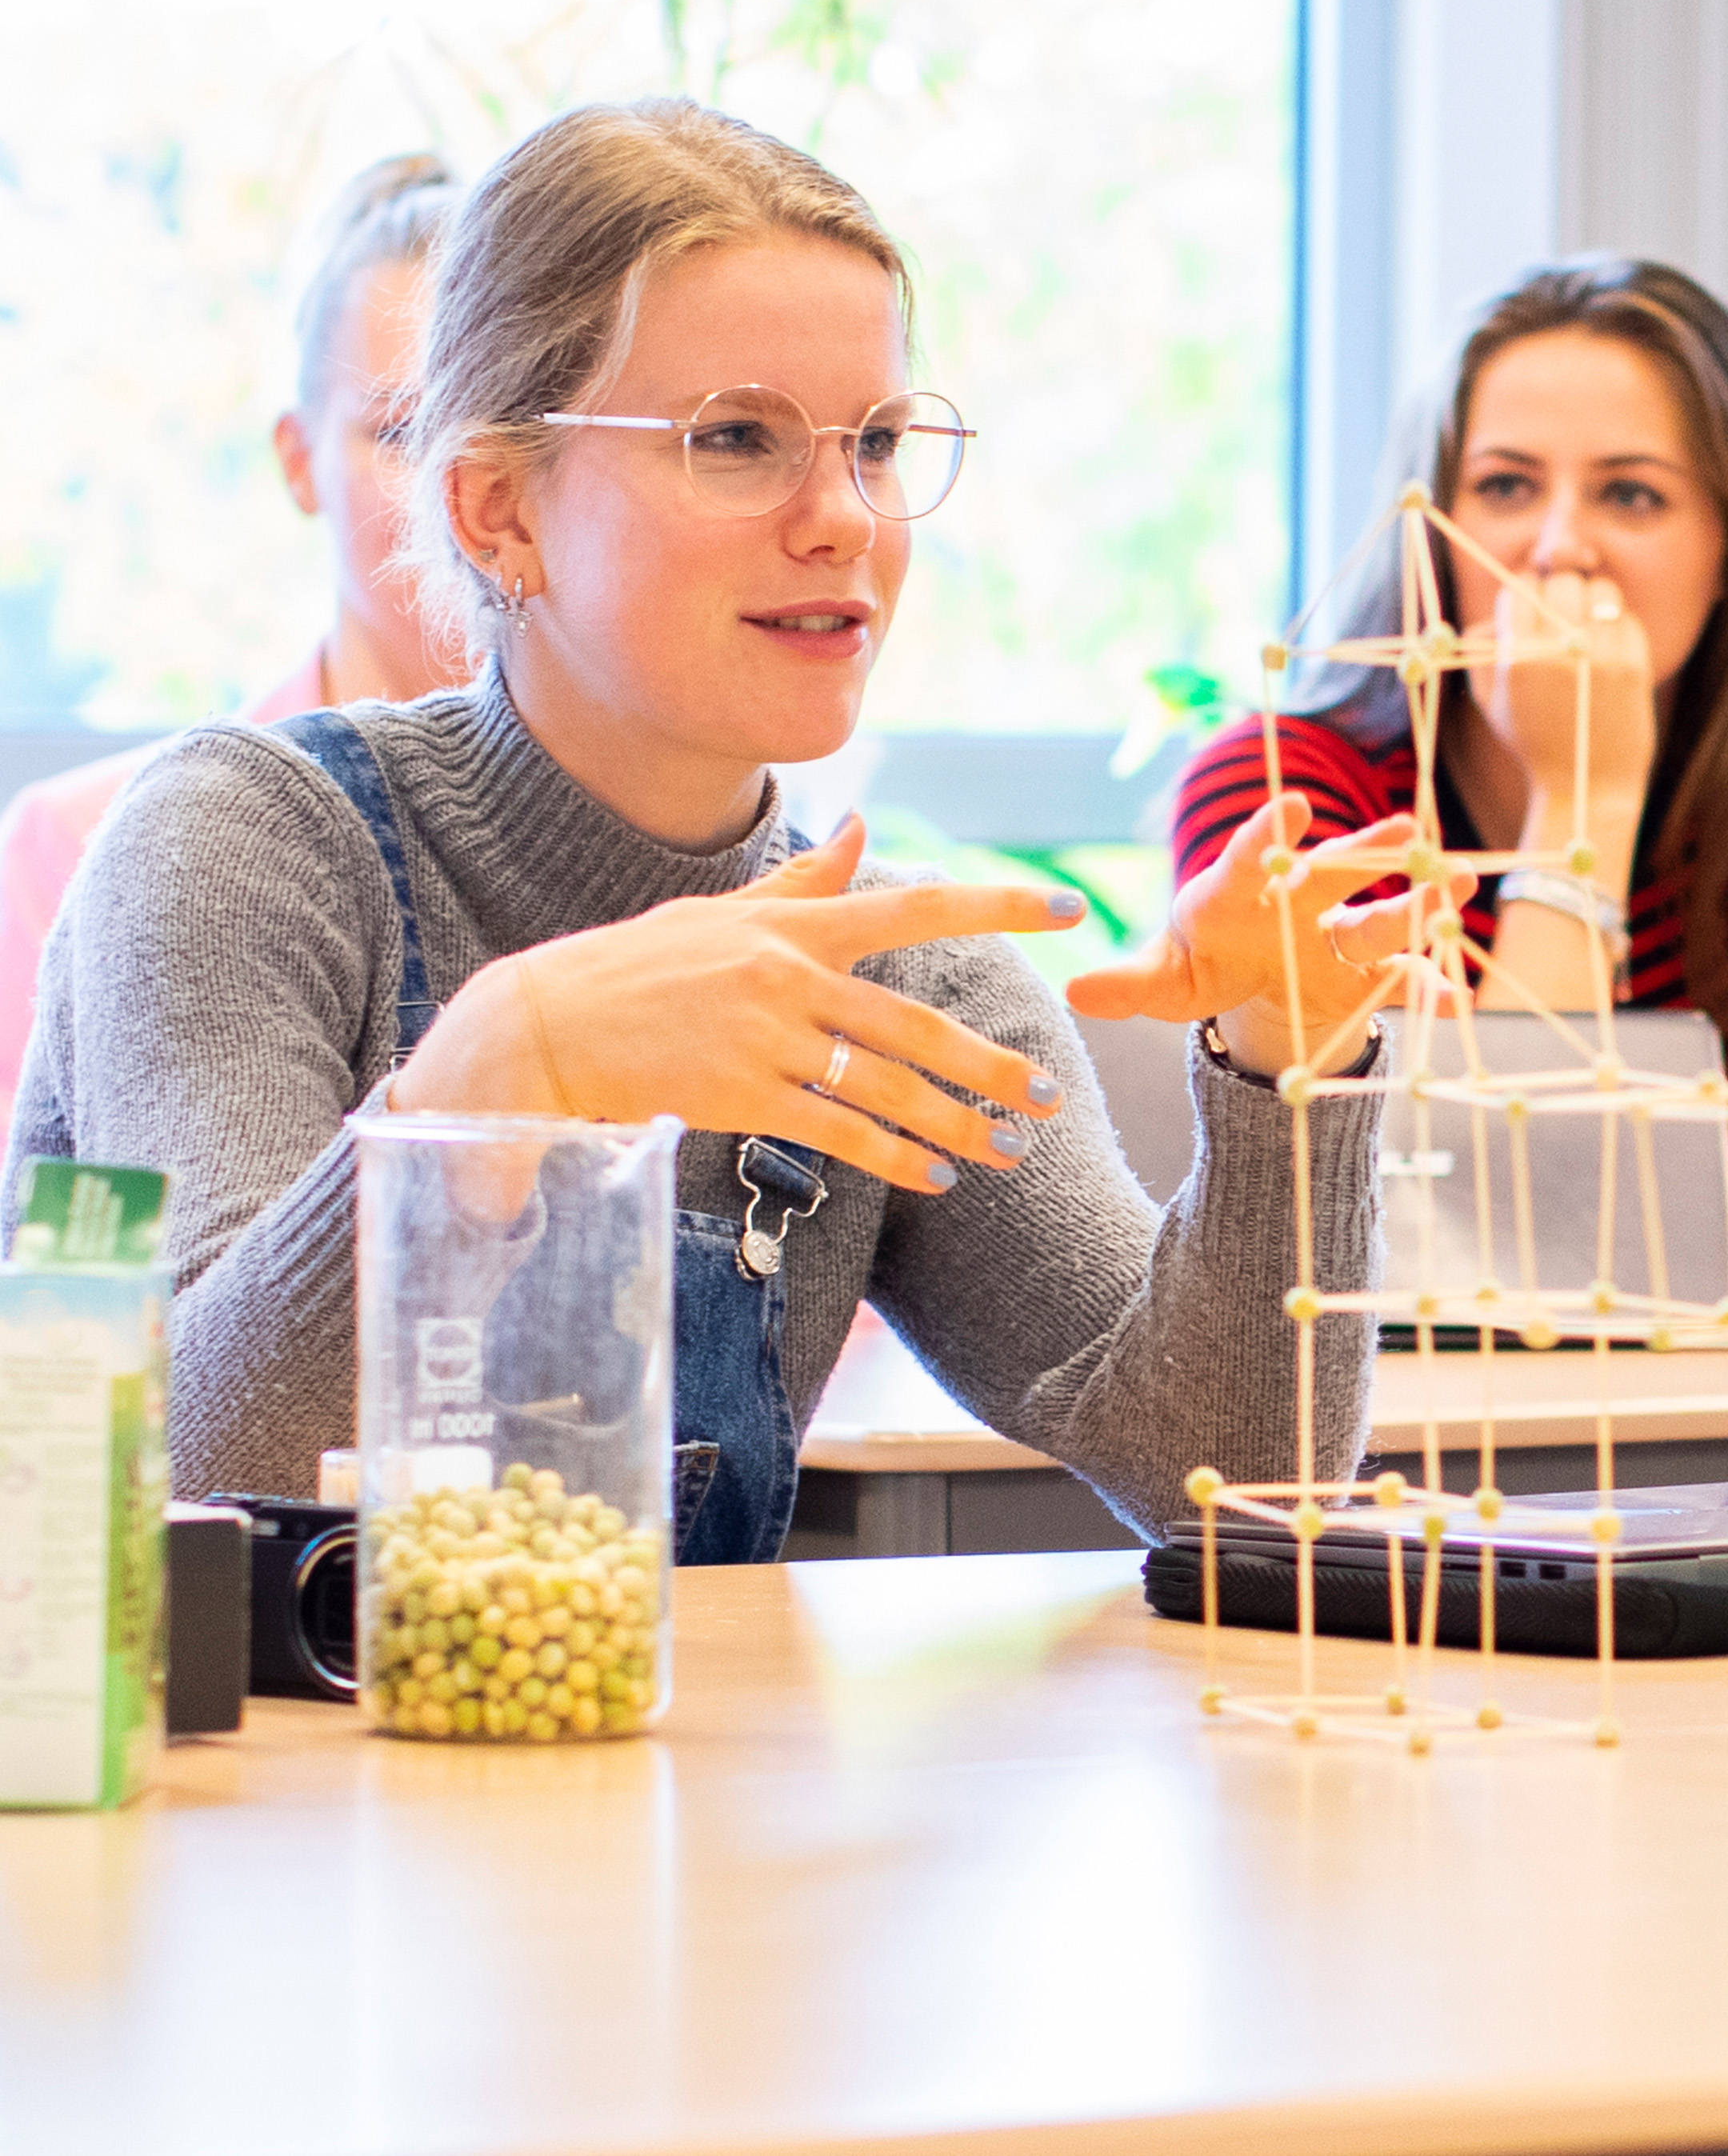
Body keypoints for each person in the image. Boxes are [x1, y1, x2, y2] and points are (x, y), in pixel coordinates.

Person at [5, 100, 1450, 1556]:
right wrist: (515, 1065)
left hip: (662, 1782)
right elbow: (179, 1465)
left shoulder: (899, 973)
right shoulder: (237, 843)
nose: (843, 521)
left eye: (878, 442)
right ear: (499, 509)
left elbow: (1229, 1473)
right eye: (738, 438)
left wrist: (1284, 1078)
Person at [0, 153, 467, 1137]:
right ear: (300, 461)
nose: (459, 494)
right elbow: (61, 1273)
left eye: (501, 432)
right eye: (401, 433)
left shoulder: (669, 851)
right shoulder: (85, 846)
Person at [1174, 256, 1728, 1026]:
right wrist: (1581, 801)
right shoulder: (1284, 798)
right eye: (1506, 486)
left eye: (1631, 494)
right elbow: (1446, 1146)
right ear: (1434, 527)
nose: (1559, 547)